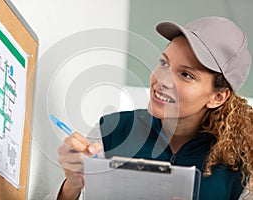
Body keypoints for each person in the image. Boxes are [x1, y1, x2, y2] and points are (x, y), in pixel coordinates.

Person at [51, 16, 253, 200]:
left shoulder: (244, 171)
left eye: (186, 75)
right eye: (164, 63)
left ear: (217, 97)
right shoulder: (111, 131)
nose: (162, 80)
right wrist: (72, 187)